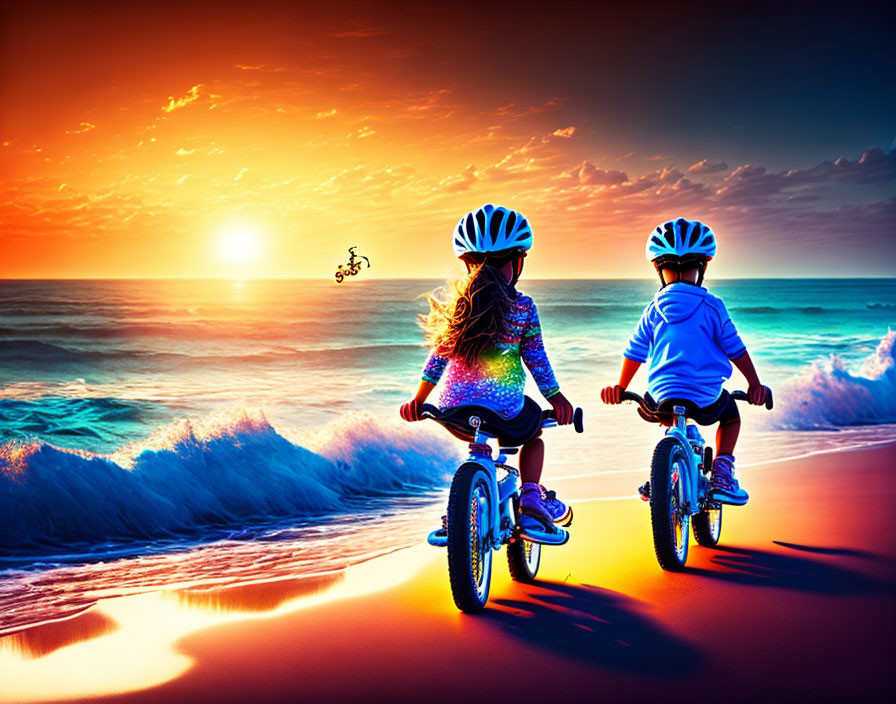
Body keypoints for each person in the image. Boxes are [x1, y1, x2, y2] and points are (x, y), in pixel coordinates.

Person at [400, 204, 575, 527]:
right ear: (516, 262)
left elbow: (438, 358)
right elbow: (536, 359)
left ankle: (465, 507)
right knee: (534, 429)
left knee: (478, 438)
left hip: (453, 409)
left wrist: (419, 399)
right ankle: (533, 495)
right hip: (505, 409)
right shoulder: (522, 306)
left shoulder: (457, 307)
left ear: (468, 264)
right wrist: (557, 400)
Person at [600, 217, 769, 505]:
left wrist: (620, 385)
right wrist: (754, 384)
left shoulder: (653, 308)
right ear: (701, 268)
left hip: (661, 396)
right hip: (705, 397)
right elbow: (735, 348)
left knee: (668, 416)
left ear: (659, 269)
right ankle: (722, 471)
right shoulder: (712, 305)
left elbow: (635, 351)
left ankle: (662, 476)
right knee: (730, 415)